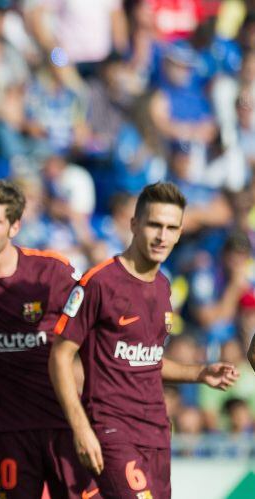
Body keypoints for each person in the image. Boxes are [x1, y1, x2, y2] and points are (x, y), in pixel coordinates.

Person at [50, 182, 240, 498]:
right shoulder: (99, 283)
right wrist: (81, 427)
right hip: (111, 431)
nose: (161, 236)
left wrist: (200, 373)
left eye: (170, 228)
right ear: (134, 224)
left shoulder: (164, 287)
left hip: (156, 432)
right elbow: (59, 356)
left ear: (180, 233)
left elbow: (146, 359)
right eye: (154, 224)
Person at [0, 179, 98, 498]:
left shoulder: (50, 273)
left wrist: (90, 421)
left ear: (14, 226)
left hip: (65, 425)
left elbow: (95, 340)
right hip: (8, 431)